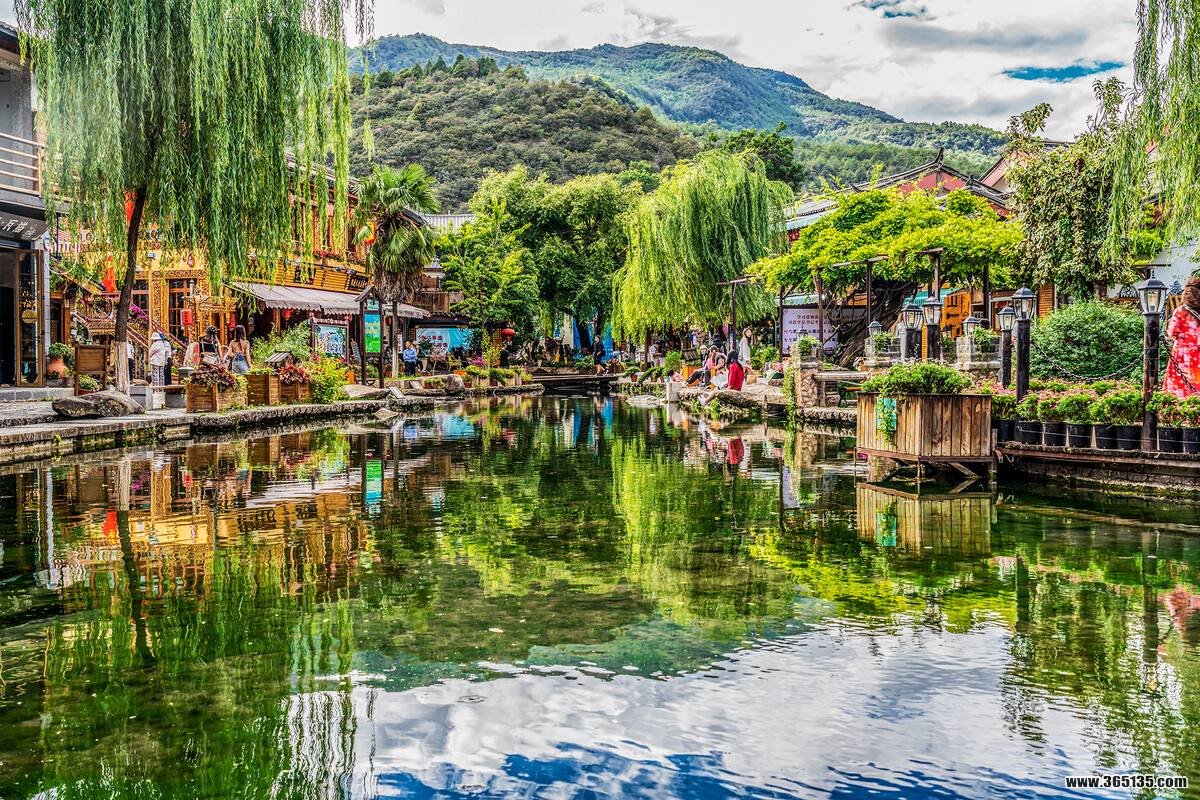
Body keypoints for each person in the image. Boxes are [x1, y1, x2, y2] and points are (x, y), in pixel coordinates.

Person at [1165, 275, 1200, 398]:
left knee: (1180, 385)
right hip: (1198, 354)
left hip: (1182, 355)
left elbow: (1171, 332)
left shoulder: (1180, 312)